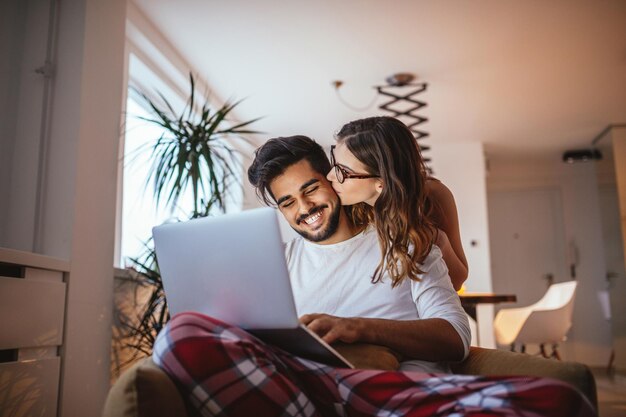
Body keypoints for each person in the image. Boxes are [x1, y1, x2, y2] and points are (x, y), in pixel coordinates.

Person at [151, 135, 596, 417]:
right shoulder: (277, 261)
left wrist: (358, 331)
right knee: (181, 334)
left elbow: (456, 334)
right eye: (287, 203)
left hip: (392, 392)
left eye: (310, 189)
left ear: (334, 179)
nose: (304, 208)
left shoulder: (403, 239)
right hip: (310, 388)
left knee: (562, 401)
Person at [329, 116, 469, 290]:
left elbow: (457, 280)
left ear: (381, 183)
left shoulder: (431, 195)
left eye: (342, 171)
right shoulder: (338, 203)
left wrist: (431, 237)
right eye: (333, 163)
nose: (330, 176)